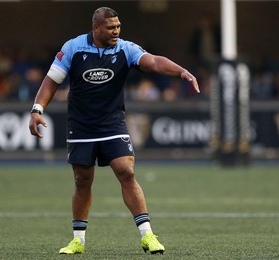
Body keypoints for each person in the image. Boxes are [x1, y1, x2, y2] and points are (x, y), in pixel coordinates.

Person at [29, 7, 199, 255]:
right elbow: (51, 81)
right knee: (82, 180)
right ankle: (78, 240)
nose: (116, 31)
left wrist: (180, 70)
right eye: (111, 27)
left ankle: (147, 235)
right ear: (96, 28)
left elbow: (152, 61)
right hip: (81, 125)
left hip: (112, 123)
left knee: (126, 171)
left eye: (118, 26)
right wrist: (37, 110)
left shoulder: (125, 49)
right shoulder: (74, 48)